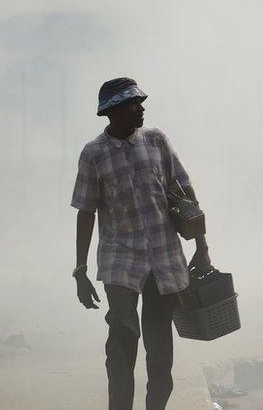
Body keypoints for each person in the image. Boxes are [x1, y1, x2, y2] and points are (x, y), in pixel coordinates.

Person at [70, 77, 211, 410]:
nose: (141, 108)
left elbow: (186, 192)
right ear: (115, 112)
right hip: (121, 260)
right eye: (134, 104)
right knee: (122, 332)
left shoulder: (156, 140)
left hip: (163, 259)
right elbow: (85, 211)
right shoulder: (93, 154)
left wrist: (202, 247)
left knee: (159, 347)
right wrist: (80, 269)